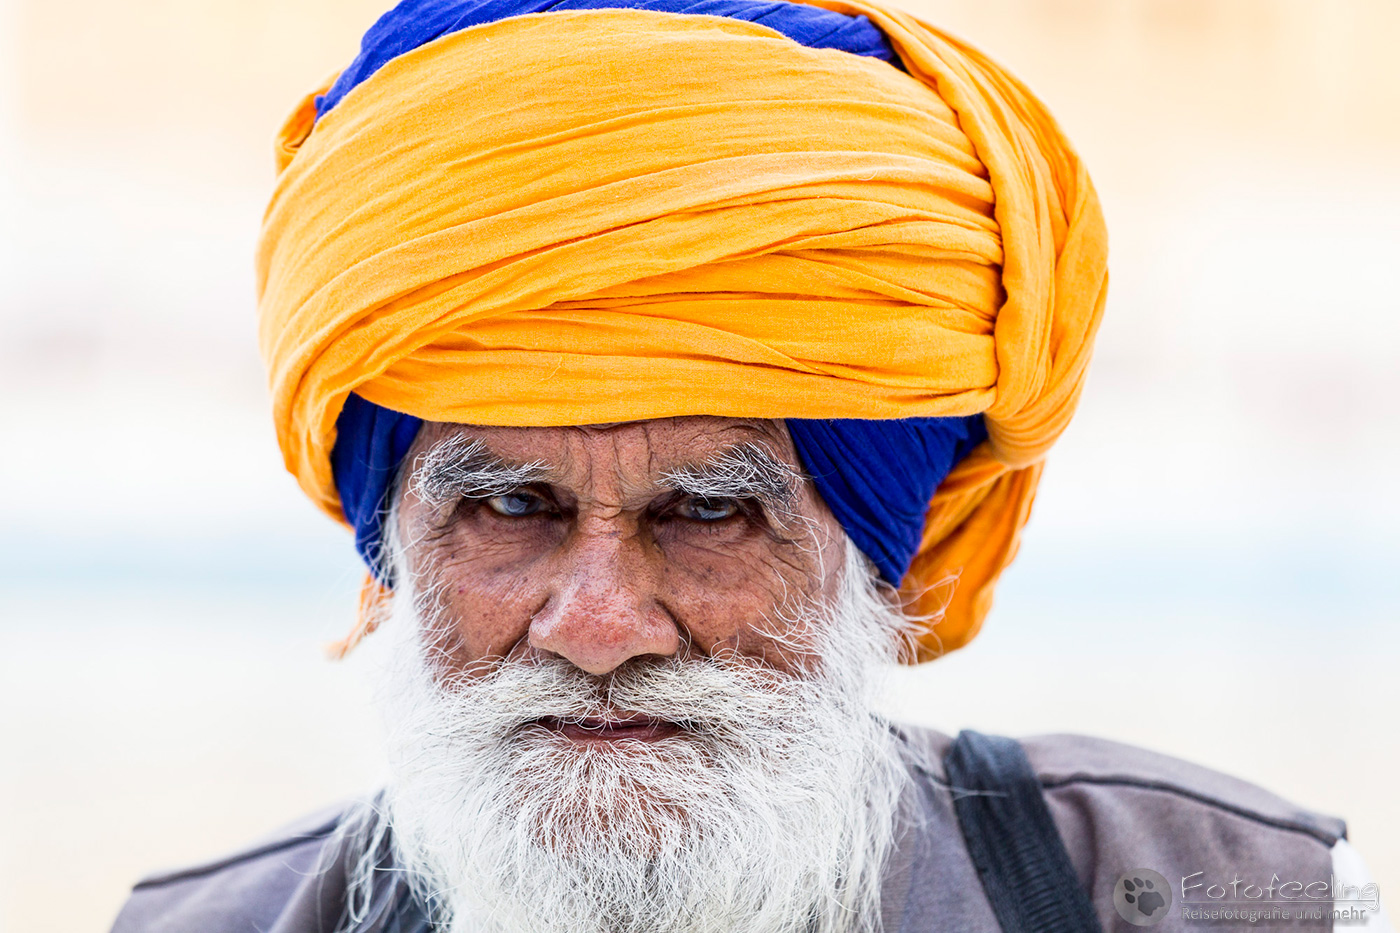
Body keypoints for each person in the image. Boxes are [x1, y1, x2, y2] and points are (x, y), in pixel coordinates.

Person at [110, 0, 1389, 930]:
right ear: (396, 548)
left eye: (708, 512)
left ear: (872, 551)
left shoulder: (1236, 893)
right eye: (507, 505)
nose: (597, 628)